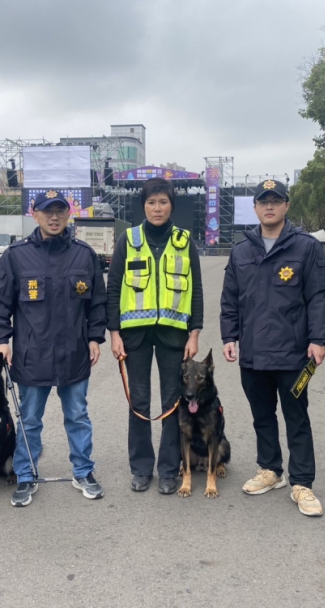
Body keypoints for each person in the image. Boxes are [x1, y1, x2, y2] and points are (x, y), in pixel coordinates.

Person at [0, 191, 107, 506]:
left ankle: (83, 471)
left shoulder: (83, 255)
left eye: (60, 211)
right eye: (47, 211)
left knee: (78, 416)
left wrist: (95, 337)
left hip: (74, 354)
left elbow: (97, 302)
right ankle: (25, 475)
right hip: (31, 355)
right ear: (34, 214)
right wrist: (1, 341)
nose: (54, 217)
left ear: (68, 214)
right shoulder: (16, 256)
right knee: (30, 419)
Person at [220, 179, 325, 517]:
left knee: (296, 417)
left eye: (276, 200)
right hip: (253, 353)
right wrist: (229, 337)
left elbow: (320, 296)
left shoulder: (306, 247)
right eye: (263, 201)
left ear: (286, 205)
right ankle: (270, 470)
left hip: (294, 354)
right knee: (262, 415)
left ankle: (302, 482)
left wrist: (319, 339)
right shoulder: (241, 251)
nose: (269, 206)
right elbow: (230, 299)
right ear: (255, 207)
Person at [107, 177, 204, 494]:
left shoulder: (184, 241)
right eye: (151, 202)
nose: (157, 208)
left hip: (173, 336)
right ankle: (141, 468)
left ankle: (168, 470)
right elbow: (113, 288)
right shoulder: (128, 240)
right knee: (139, 402)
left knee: (172, 404)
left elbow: (196, 290)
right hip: (134, 336)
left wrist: (194, 334)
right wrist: (114, 333)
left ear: (171, 205)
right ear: (143, 206)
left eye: (163, 202)